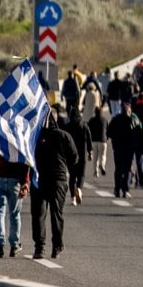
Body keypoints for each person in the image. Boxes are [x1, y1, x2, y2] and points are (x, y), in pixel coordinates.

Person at [32, 105, 80, 260]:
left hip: (39, 179)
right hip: (58, 179)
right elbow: (75, 158)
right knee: (56, 213)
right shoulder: (64, 136)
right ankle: (57, 246)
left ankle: (39, 248)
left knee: (39, 214)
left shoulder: (35, 137)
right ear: (56, 118)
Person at [0, 124, 31, 258]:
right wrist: (25, 182)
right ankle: (14, 245)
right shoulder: (17, 139)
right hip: (14, 180)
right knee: (14, 213)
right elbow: (24, 161)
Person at [60, 103, 92, 202]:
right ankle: (79, 188)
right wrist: (90, 151)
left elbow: (64, 140)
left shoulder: (67, 126)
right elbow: (89, 139)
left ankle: (73, 197)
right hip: (82, 154)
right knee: (81, 175)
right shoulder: (84, 125)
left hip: (70, 154)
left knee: (72, 176)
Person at [107, 102, 140, 197]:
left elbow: (109, 133)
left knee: (118, 169)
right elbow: (138, 132)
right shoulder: (133, 120)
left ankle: (117, 189)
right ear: (129, 111)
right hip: (129, 148)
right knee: (127, 169)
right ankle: (126, 190)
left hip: (117, 147)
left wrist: (114, 139)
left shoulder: (115, 119)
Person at [87, 104, 109, 177]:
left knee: (95, 157)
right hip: (103, 140)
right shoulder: (105, 120)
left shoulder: (91, 120)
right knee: (103, 155)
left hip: (93, 140)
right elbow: (108, 130)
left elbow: (88, 130)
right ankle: (102, 165)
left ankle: (96, 172)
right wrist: (107, 138)